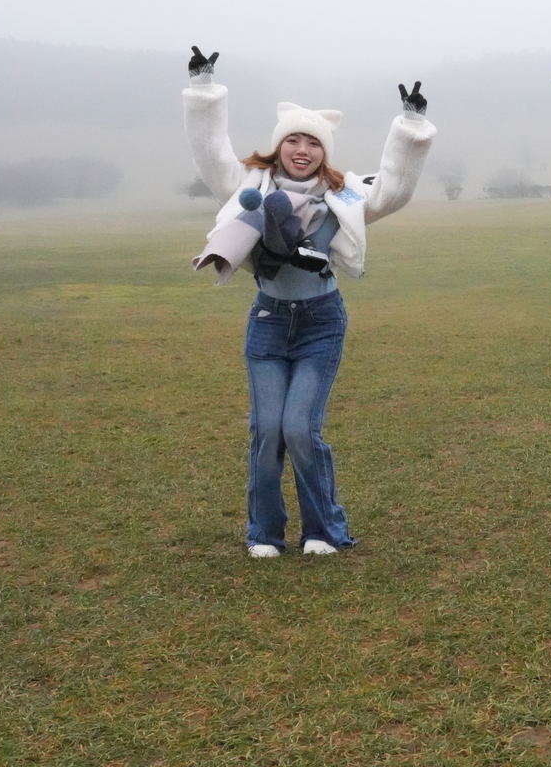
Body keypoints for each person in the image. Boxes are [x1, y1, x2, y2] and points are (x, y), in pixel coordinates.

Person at [182, 46, 435, 558]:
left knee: (299, 428)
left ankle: (323, 529)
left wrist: (410, 125)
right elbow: (211, 153)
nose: (302, 149)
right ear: (279, 147)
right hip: (269, 322)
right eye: (293, 140)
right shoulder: (248, 186)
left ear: (325, 152)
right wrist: (204, 89)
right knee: (266, 431)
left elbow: (394, 190)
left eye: (313, 142)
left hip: (321, 322)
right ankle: (265, 532)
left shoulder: (344, 194)